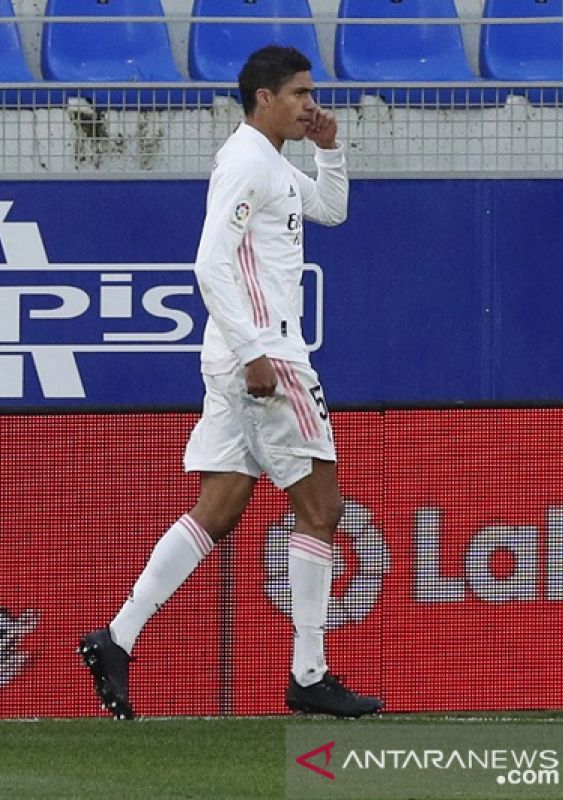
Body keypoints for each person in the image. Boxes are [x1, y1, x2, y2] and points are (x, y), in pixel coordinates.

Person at [78, 45, 384, 720]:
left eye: (312, 92)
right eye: (300, 93)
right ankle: (309, 673)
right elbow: (209, 262)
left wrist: (331, 151)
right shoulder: (248, 162)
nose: (311, 103)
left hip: (239, 357)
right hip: (265, 357)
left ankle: (117, 636)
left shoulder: (268, 160)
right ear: (264, 98)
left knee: (218, 507)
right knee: (322, 509)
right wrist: (253, 351)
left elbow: (330, 209)